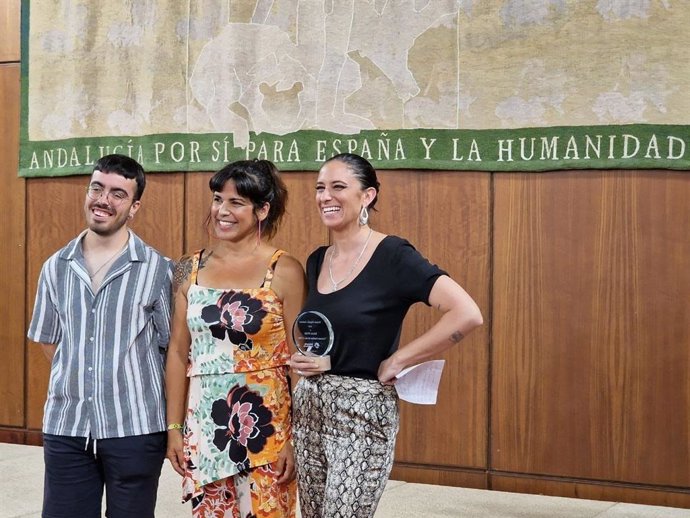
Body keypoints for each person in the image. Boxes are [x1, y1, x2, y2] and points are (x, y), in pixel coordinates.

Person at [289, 153, 484, 518]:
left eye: (338, 187)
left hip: (362, 412)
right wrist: (306, 360)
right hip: (311, 408)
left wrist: (400, 359)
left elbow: (467, 313)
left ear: (368, 196)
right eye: (319, 188)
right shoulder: (317, 259)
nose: (325, 196)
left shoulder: (392, 254)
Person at [27, 154, 173, 518]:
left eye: (118, 193)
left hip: (135, 429)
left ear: (135, 206)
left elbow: (171, 347)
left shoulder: (157, 269)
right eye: (97, 188)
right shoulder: (55, 267)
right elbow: (49, 341)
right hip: (68, 425)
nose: (103, 200)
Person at [165, 159, 306, 517]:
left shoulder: (285, 269)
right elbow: (179, 352)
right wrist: (174, 429)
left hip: (268, 427)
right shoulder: (188, 267)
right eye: (217, 199)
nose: (222, 211)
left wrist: (294, 437)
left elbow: (299, 362)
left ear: (262, 210)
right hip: (206, 425)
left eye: (236, 203)